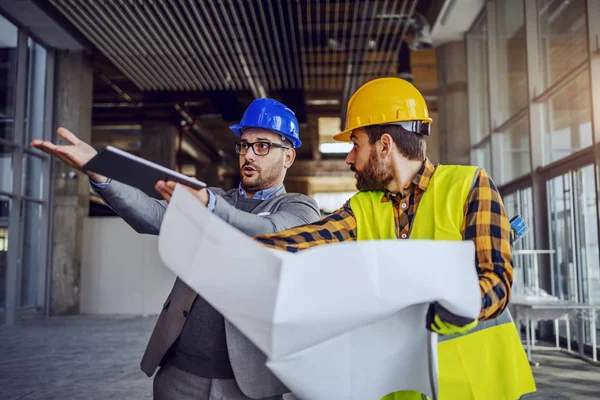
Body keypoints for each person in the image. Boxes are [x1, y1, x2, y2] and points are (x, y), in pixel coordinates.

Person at [254, 78, 536, 400]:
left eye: (356, 144)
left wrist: (461, 304)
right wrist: (239, 249)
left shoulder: (469, 185)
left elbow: (497, 281)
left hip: (474, 384)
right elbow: (309, 239)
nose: (349, 159)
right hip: (400, 389)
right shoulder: (364, 206)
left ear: (385, 145)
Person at [31, 98, 321, 400]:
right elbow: (152, 215)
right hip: (180, 375)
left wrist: (209, 207)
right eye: (244, 145)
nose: (248, 155)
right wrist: (100, 173)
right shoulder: (217, 198)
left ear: (288, 157)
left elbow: (271, 233)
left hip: (247, 383)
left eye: (262, 146)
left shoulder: (298, 207)